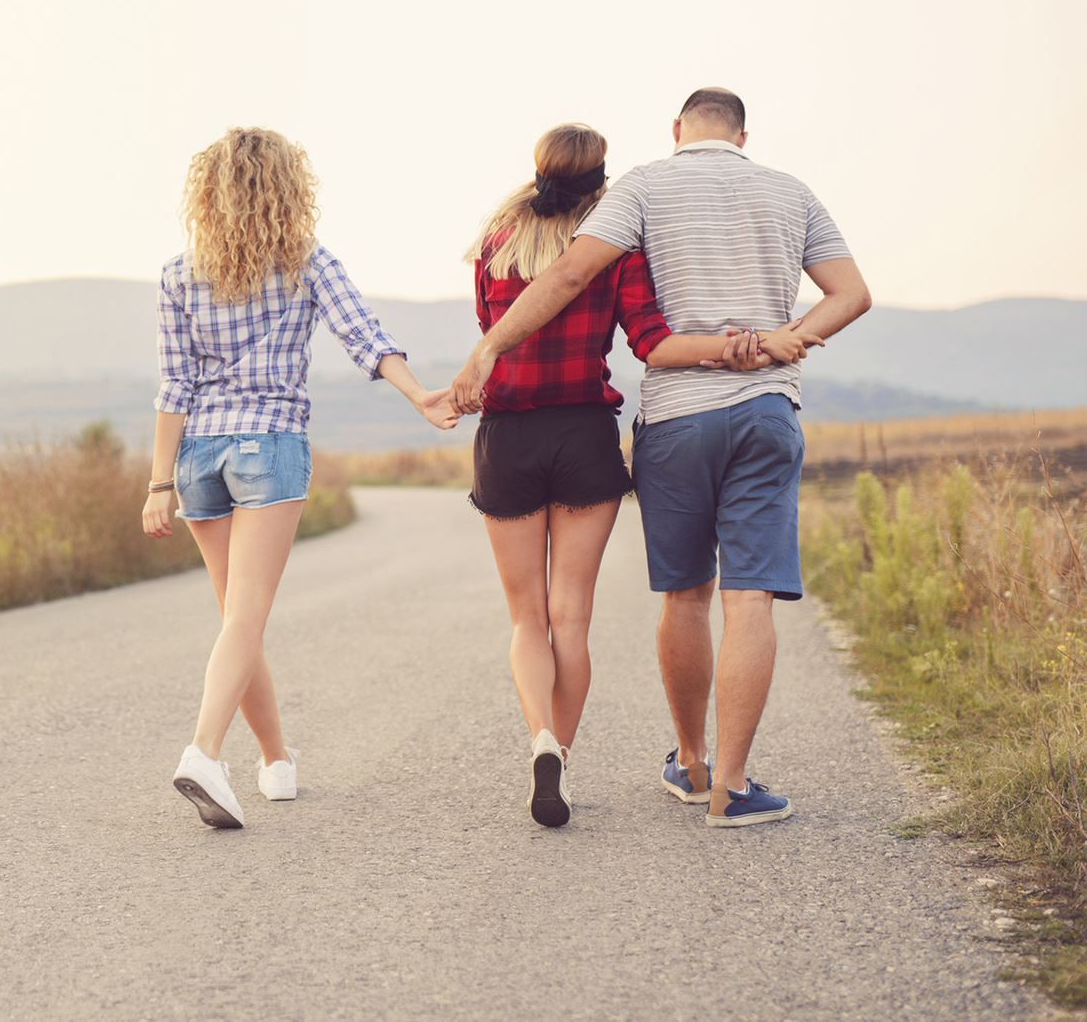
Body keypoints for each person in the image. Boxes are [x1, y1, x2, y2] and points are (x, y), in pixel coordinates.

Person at [452, 88, 871, 828]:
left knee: (666, 598)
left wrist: (486, 350)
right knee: (729, 600)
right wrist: (778, 340)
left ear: (676, 130)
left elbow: (562, 280)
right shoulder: (784, 192)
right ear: (743, 134)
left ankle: (652, 756)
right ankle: (729, 788)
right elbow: (848, 295)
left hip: (644, 419)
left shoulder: (622, 195)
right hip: (728, 413)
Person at [143, 127, 457, 830]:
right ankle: (203, 751)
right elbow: (364, 338)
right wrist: (418, 395)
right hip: (268, 446)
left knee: (236, 620)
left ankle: (276, 760)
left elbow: (174, 387)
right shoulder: (306, 263)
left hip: (198, 457)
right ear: (289, 191)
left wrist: (158, 482)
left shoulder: (176, 273)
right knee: (246, 616)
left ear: (208, 193)